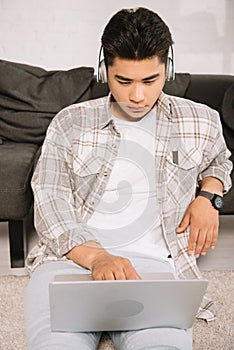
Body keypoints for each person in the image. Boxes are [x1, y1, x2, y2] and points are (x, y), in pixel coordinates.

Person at [24, 7, 232, 350]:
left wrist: (209, 197)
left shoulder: (200, 120)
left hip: (155, 269)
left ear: (169, 67)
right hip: (70, 262)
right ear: (105, 71)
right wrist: (97, 258)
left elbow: (219, 162)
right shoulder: (70, 123)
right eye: (124, 81)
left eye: (150, 80)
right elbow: (49, 200)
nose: (138, 96)